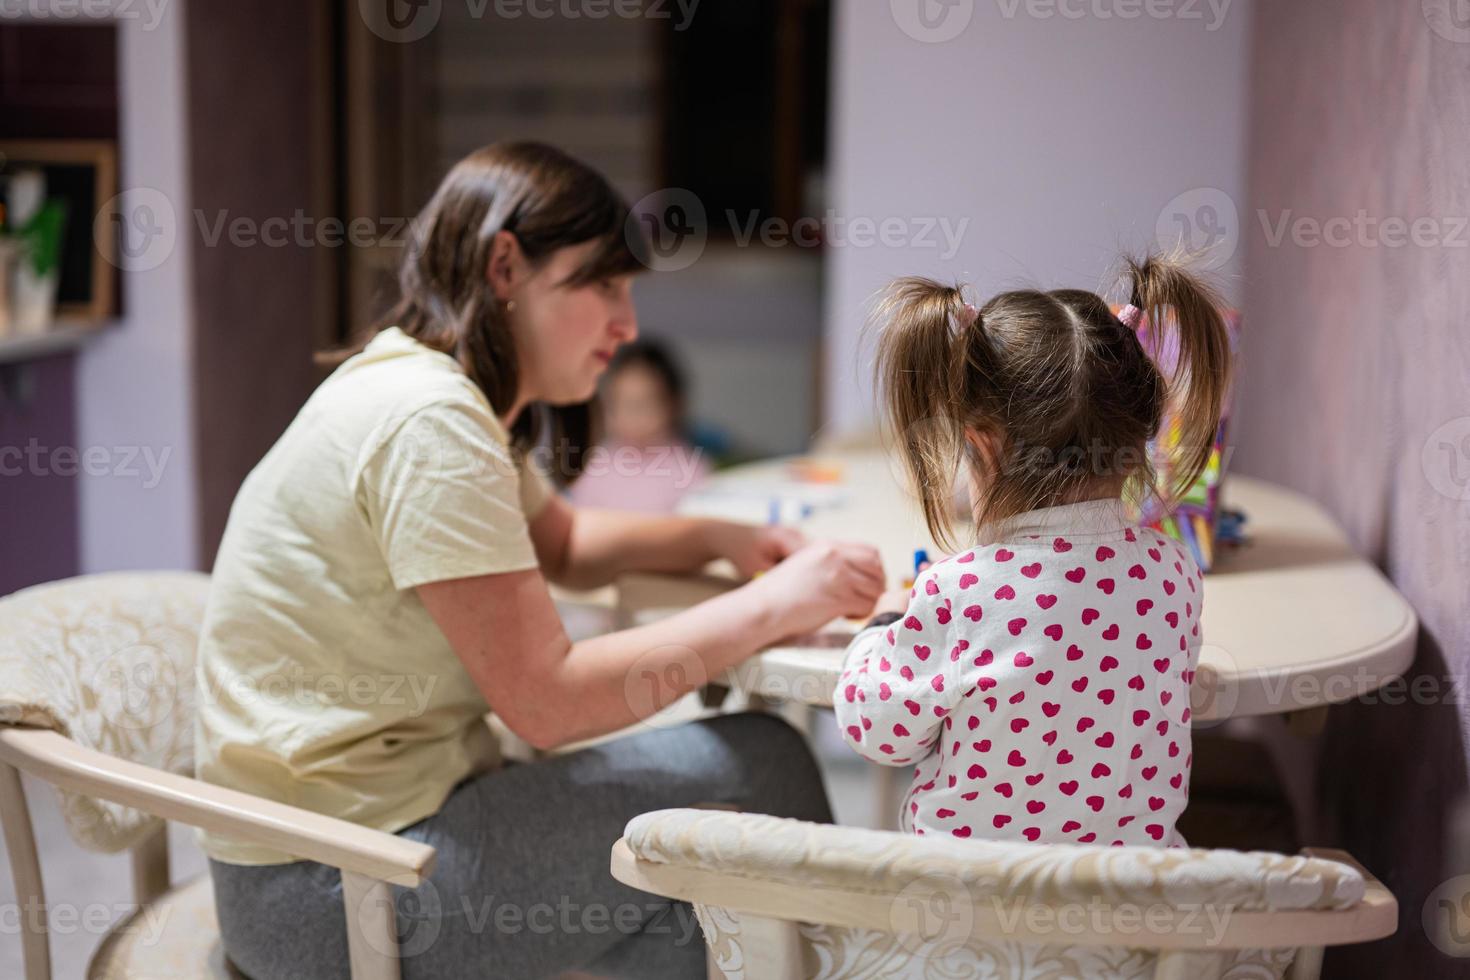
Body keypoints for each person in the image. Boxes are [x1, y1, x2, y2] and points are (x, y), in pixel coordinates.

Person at [195, 142, 884, 979]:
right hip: (331, 887)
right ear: (506, 266)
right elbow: (546, 704)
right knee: (763, 761)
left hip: (321, 859)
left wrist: (717, 539)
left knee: (691, 913)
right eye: (603, 285)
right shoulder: (431, 425)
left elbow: (563, 543)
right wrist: (778, 603)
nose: (628, 326)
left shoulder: (428, 389)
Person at [833, 254, 1233, 847]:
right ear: (1135, 445)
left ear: (982, 448)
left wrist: (884, 624)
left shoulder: (960, 590)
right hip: (1129, 924)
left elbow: (879, 733)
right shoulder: (1172, 570)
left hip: (960, 924)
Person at [567, 340, 712, 514]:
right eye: (619, 404)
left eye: (641, 405)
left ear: (673, 404)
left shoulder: (690, 469)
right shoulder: (593, 466)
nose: (631, 417)